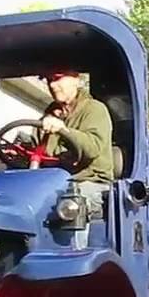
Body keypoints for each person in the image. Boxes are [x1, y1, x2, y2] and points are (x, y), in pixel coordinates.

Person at [34, 70, 114, 242]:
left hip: (90, 182)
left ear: (76, 80)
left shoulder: (94, 109)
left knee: (71, 205)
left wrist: (63, 130)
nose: (52, 85)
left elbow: (91, 148)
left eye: (58, 79)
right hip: (54, 183)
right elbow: (38, 152)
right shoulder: (50, 115)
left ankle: (72, 255)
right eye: (49, 80)